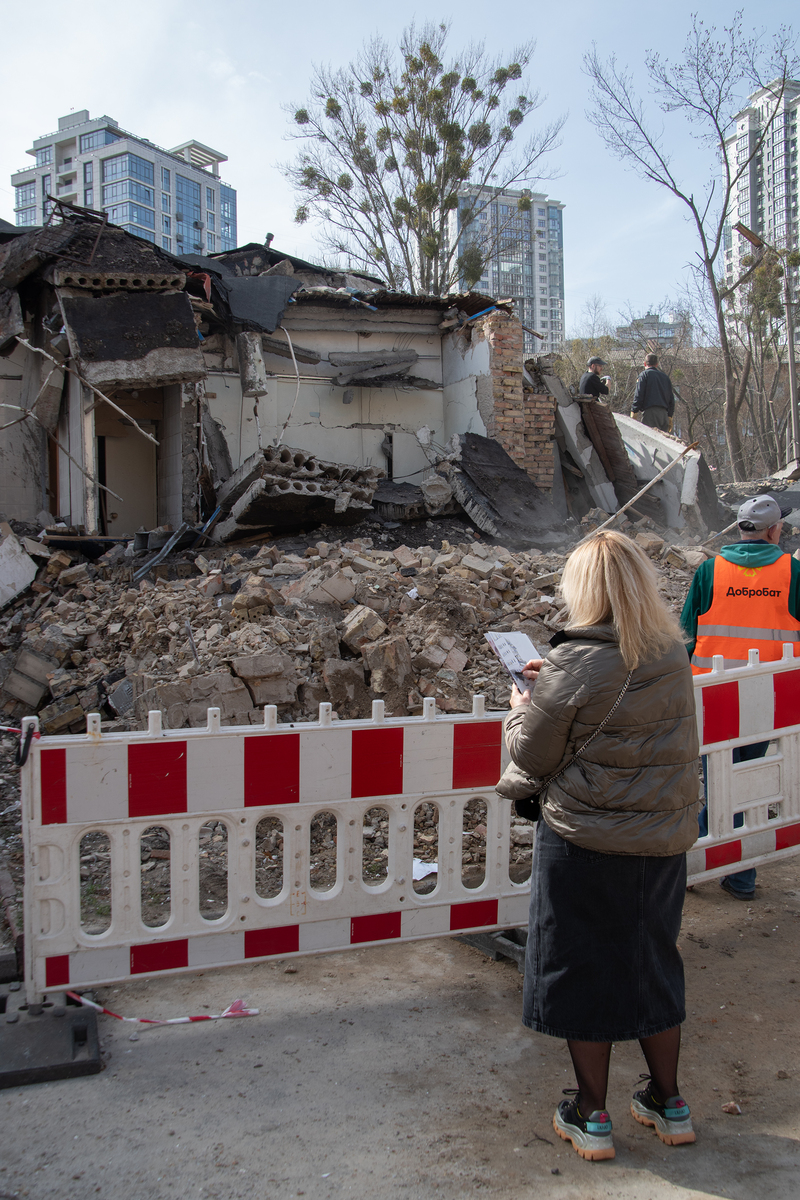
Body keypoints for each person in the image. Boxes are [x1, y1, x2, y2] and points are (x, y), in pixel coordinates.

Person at [498, 532, 700, 1161]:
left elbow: (531, 752)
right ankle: (669, 1104)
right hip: (660, 841)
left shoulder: (575, 662)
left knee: (582, 972)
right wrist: (553, 683)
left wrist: (520, 704)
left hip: (585, 841)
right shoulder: (670, 652)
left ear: (582, 589)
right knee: (652, 964)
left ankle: (592, 1115)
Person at [681, 493, 799, 900]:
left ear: (739, 528)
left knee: (718, 781)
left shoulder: (710, 571)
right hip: (768, 697)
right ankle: (732, 874)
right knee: (744, 784)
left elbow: (687, 635)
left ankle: (693, 867)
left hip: (711, 695)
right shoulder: (792, 572)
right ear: (775, 530)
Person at [632, 353, 674, 430]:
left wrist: (634, 411)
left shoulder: (644, 375)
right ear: (657, 364)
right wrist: (670, 416)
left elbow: (639, 394)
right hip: (664, 415)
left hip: (651, 414)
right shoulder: (665, 378)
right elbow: (671, 399)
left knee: (649, 439)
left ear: (644, 363)